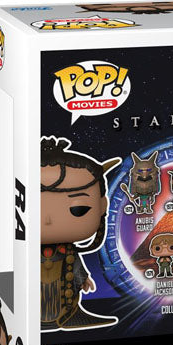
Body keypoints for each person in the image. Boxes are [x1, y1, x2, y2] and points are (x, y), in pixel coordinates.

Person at [41, 136, 121, 330]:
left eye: (78, 209)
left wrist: (82, 279)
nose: (48, 220)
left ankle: (69, 316)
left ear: (102, 206)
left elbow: (74, 265)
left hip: (65, 306)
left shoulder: (69, 251)